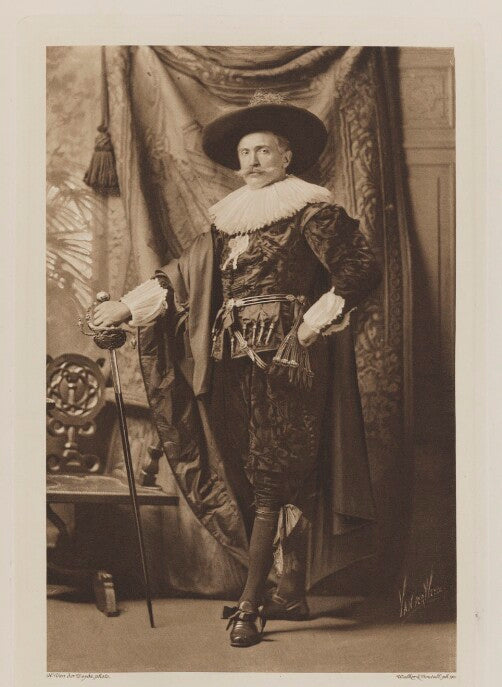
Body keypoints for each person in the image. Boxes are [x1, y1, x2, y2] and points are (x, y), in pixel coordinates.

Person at [93, 92, 381, 648]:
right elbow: (181, 277)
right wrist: (124, 309)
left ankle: (250, 606)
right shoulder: (226, 223)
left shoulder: (312, 211)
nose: (252, 161)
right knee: (253, 474)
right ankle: (289, 592)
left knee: (274, 475)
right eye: (246, 152)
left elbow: (360, 269)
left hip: (290, 365)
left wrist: (309, 328)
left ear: (287, 157)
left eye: (264, 151)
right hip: (231, 365)